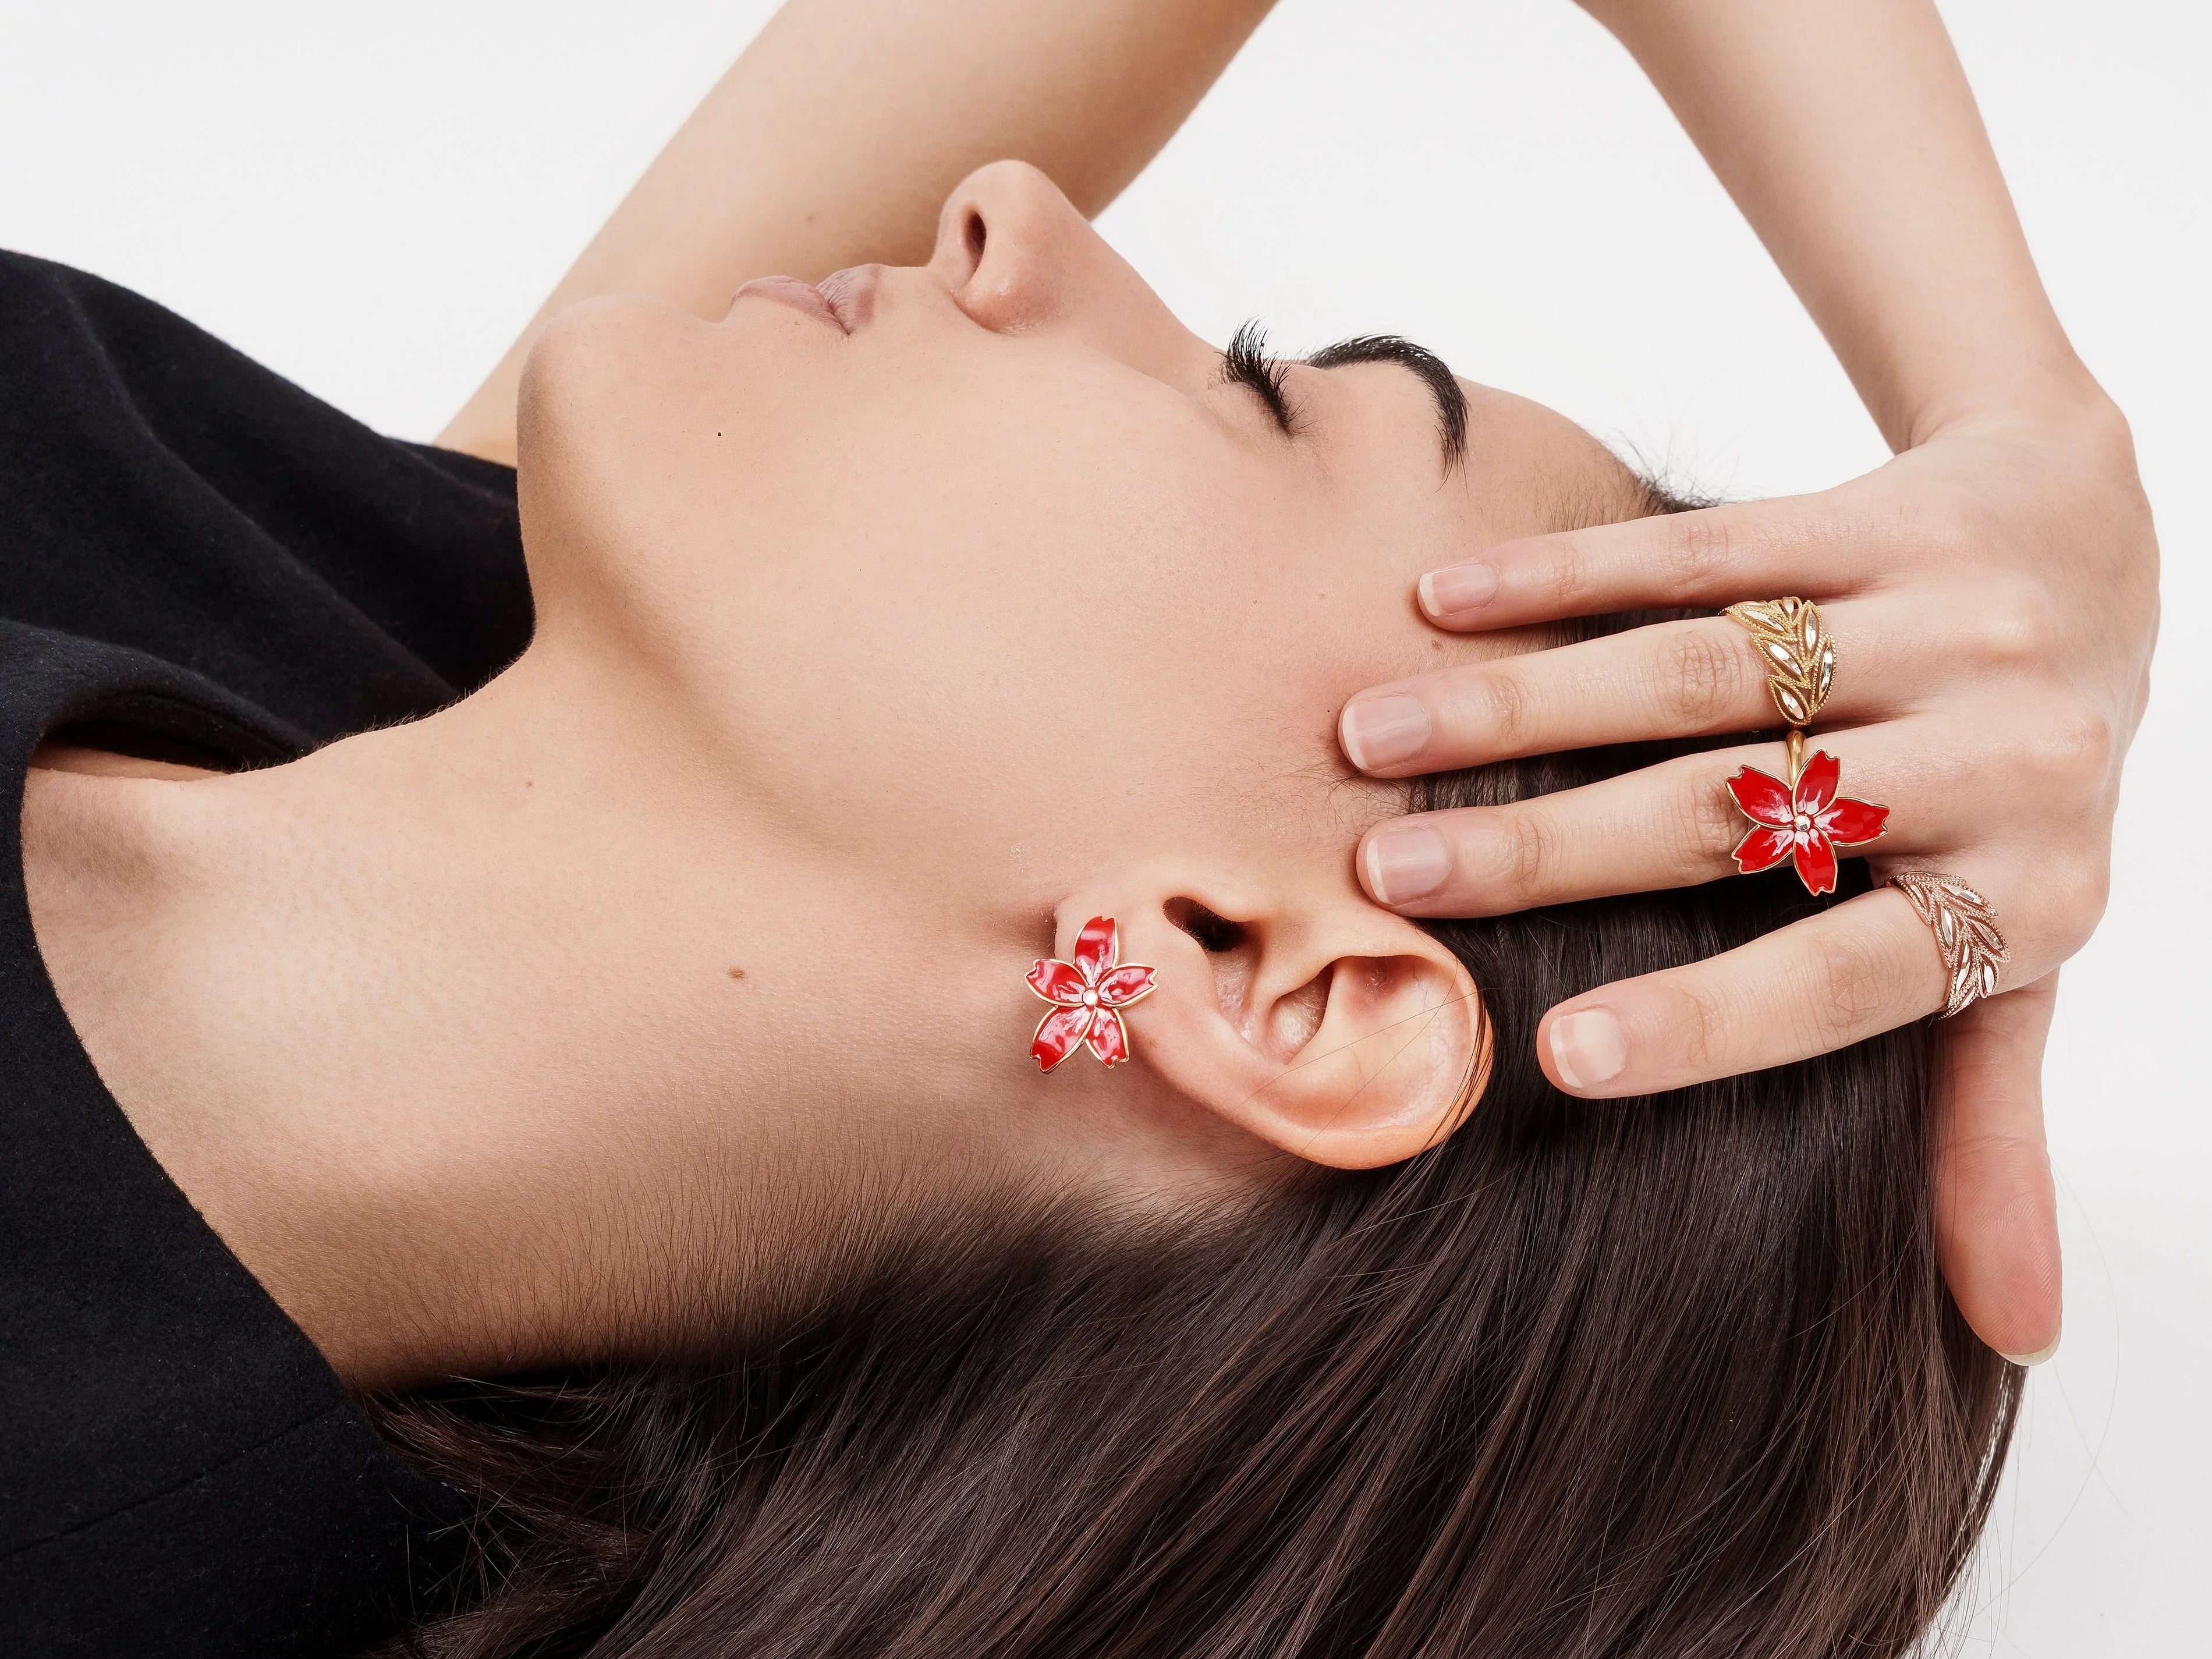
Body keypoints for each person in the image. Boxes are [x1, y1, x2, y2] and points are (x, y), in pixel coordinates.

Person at [0, 1, 2151, 1654]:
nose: (1009, 215)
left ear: (1264, 983)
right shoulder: (369, 623)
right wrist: (2023, 416)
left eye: (1256, 388)